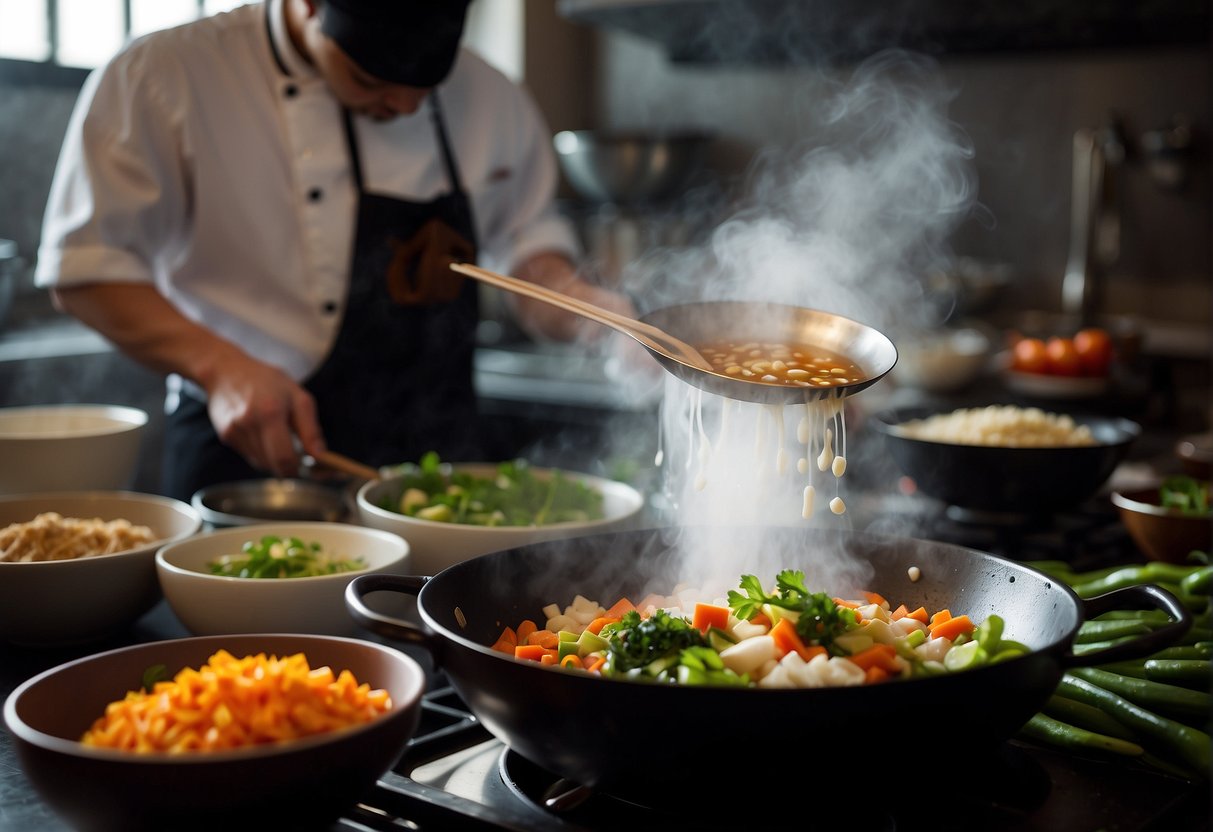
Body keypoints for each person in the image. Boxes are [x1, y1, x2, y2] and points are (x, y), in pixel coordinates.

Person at [35, 0, 636, 501]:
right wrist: (221, 369)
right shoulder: (166, 75)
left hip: (442, 465)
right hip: (258, 464)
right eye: (372, 82)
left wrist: (597, 317)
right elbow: (88, 271)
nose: (402, 107)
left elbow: (530, 255)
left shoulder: (494, 95)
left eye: (426, 90)